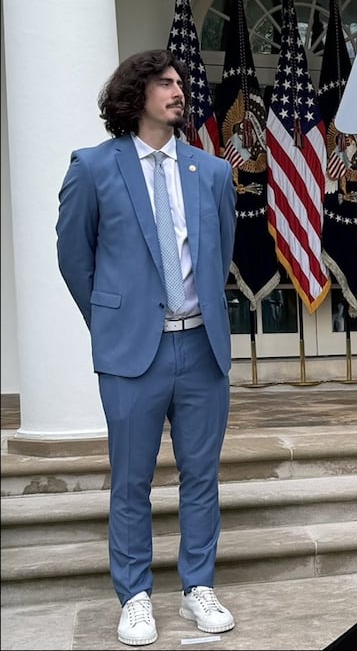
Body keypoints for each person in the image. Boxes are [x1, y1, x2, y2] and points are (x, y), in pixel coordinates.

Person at [56, 50, 238, 646]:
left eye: (180, 82)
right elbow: (74, 257)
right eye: (165, 83)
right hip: (133, 355)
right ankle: (134, 597)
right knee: (131, 480)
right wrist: (113, 323)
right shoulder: (93, 167)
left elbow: (220, 254)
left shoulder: (212, 172)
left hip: (202, 350)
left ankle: (197, 588)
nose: (178, 91)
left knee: (201, 477)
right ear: (136, 95)